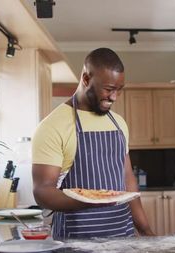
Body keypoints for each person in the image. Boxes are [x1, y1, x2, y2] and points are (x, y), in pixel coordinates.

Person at [31, 48, 154, 239]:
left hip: (122, 237)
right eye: (108, 89)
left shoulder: (119, 123)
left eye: (118, 90)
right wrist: (90, 201)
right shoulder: (53, 126)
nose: (114, 97)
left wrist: (146, 231)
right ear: (86, 79)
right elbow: (42, 192)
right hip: (77, 240)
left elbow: (128, 180)